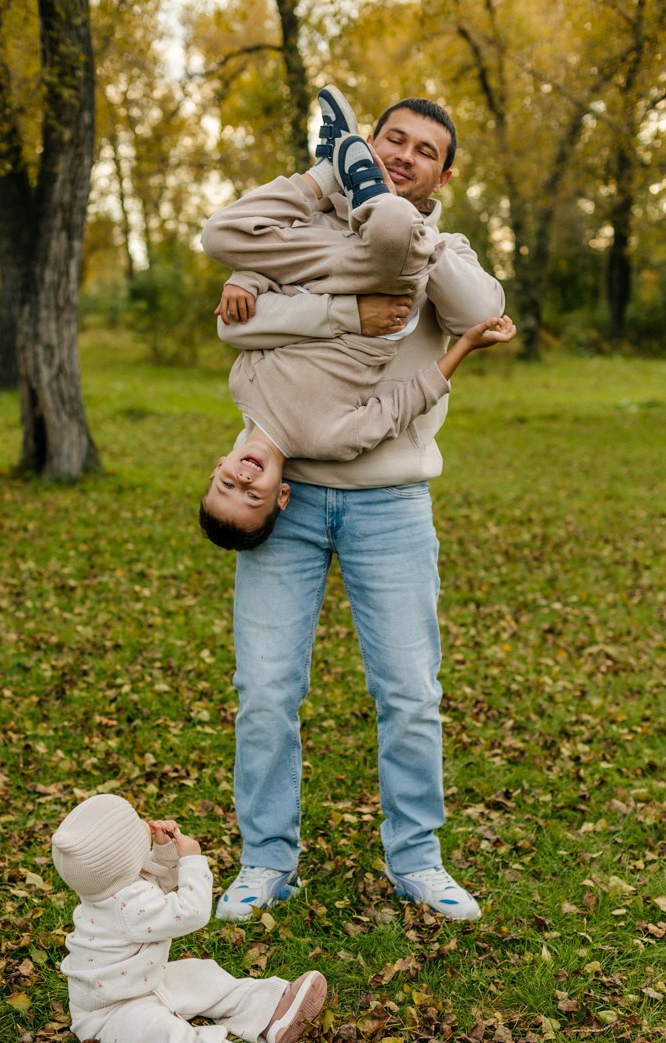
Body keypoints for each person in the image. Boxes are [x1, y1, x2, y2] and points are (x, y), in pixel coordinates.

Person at [200, 87, 506, 923]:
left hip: (390, 506)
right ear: (365, 145)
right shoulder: (306, 232)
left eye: (423, 151)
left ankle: (417, 859)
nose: (404, 155)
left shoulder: (448, 246)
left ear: (443, 172)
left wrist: (412, 228)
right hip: (283, 501)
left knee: (409, 691)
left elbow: (483, 312)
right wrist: (337, 304)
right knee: (265, 689)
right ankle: (266, 860)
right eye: (390, 141)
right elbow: (236, 327)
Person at [50, 792, 327, 1043]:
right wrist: (192, 858)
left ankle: (272, 1011)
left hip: (139, 984)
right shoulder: (128, 905)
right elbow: (191, 912)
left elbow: (157, 887)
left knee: (200, 974)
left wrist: (165, 852)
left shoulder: (110, 888)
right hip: (107, 1017)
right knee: (167, 1032)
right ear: (126, 859)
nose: (145, 823)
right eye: (137, 824)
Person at [199, 314, 515, 550]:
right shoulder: (330, 440)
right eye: (253, 496)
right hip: (389, 299)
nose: (243, 480)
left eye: (227, 484)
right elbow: (406, 404)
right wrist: (465, 345)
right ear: (282, 495)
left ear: (219, 466)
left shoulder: (242, 382)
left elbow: (264, 314)